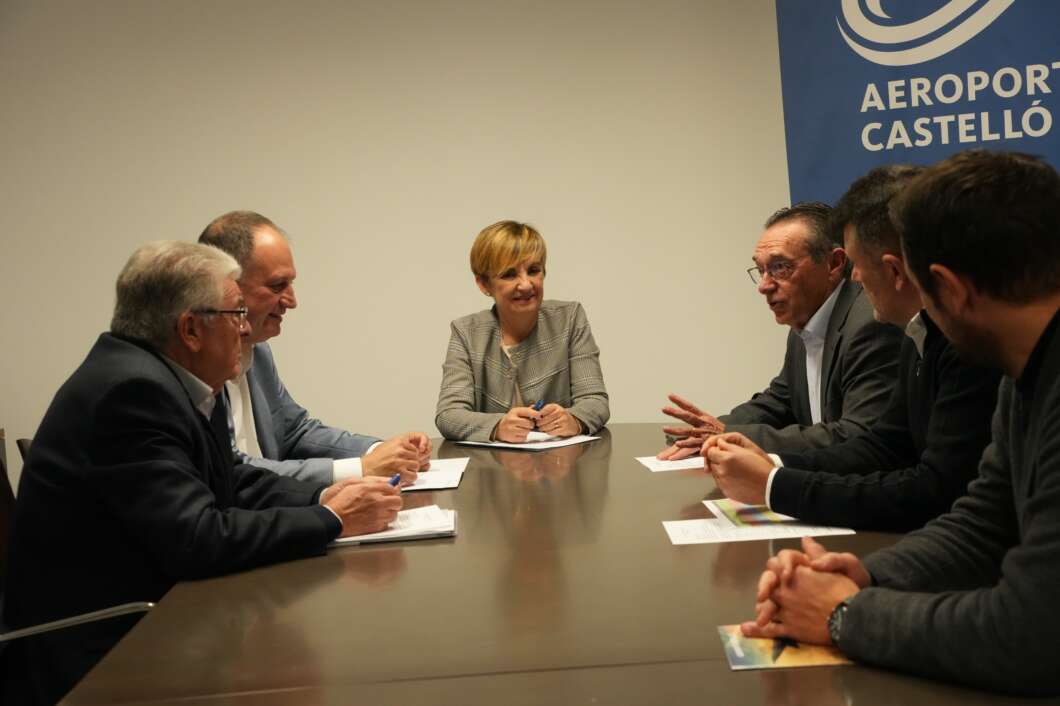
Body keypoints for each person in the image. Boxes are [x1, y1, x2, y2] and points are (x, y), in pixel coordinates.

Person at [2, 242, 402, 705]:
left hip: (161, 617)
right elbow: (197, 538)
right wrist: (331, 520)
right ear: (191, 329)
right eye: (237, 313)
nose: (246, 327)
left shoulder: (173, 380)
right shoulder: (131, 393)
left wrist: (324, 496)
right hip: (103, 650)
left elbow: (231, 478)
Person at [741, 150, 1060, 696]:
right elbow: (983, 524)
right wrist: (866, 574)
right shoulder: (1023, 367)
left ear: (949, 289)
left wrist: (843, 614)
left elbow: (1030, 635)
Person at [699, 165, 1000, 531]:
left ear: (894, 271)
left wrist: (774, 486)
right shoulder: (920, 332)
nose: (855, 277)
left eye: (858, 265)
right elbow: (884, 445)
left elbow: (934, 492)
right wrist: (773, 465)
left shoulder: (969, 348)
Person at [199, 211, 430, 485]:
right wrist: (361, 468)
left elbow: (294, 431)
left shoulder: (258, 351)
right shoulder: (198, 362)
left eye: (291, 283)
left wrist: (381, 452)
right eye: (277, 286)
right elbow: (234, 470)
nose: (292, 301)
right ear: (228, 287)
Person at [659, 203, 902, 458]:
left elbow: (857, 436)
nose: (764, 286)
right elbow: (780, 401)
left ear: (833, 263)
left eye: (780, 267)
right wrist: (706, 430)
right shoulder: (805, 323)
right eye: (761, 270)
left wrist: (728, 435)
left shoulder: (870, 326)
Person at [435, 220, 609, 441]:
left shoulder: (570, 318)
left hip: (562, 459)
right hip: (493, 463)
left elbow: (595, 400)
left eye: (533, 270)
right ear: (484, 284)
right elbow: (448, 415)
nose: (526, 284)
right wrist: (498, 426)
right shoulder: (467, 333)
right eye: (509, 274)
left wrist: (573, 420)